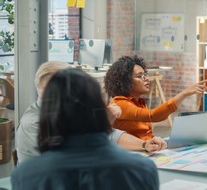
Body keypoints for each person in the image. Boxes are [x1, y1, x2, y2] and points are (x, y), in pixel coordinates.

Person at [11, 69, 159, 190]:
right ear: (100, 107)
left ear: (49, 114)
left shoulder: (26, 176)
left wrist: (144, 143)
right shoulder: (142, 169)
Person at [15, 61, 165, 164]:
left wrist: (145, 144)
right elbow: (70, 159)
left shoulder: (69, 108)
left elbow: (111, 135)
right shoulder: (33, 123)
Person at [104, 55, 206, 140]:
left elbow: (147, 133)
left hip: (145, 150)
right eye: (140, 76)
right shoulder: (120, 103)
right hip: (133, 154)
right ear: (126, 82)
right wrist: (184, 93)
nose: (146, 79)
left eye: (145, 74)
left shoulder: (140, 102)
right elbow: (153, 116)